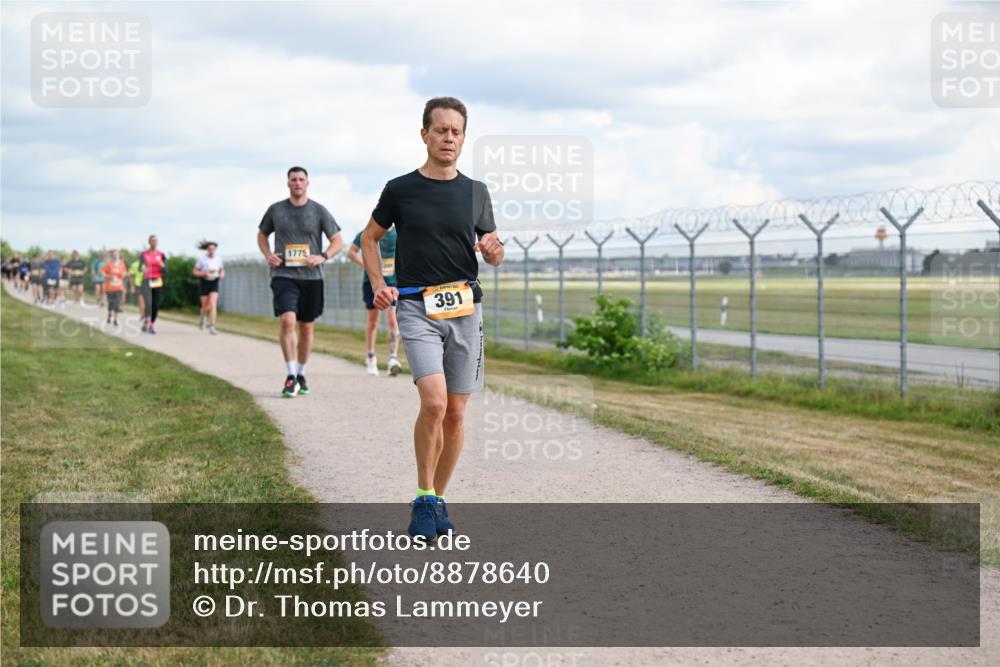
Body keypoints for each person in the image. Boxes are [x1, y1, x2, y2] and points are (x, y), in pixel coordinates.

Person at [362, 96, 504, 540]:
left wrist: (496, 252)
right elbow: (370, 238)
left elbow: (493, 249)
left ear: (464, 137)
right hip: (416, 306)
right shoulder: (400, 189)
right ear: (424, 134)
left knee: (457, 414)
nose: (448, 138)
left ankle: (436, 502)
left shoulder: (476, 192)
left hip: (465, 307)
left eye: (456, 131)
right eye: (440, 130)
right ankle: (424, 496)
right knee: (435, 403)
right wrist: (378, 283)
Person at [258, 166, 343, 397]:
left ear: (307, 183)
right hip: (283, 275)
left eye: (301, 179)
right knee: (287, 321)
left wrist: (323, 256)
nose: (297, 183)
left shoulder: (318, 210)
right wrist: (268, 255)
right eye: (293, 179)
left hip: (312, 277)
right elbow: (262, 235)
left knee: (306, 327)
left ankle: (302, 373)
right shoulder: (276, 210)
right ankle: (290, 374)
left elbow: (337, 240)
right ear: (288, 183)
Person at [348, 225, 401, 376]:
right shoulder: (369, 230)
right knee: (373, 321)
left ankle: (393, 358)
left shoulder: (399, 233)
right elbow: (351, 252)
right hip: (372, 283)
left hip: (392, 282)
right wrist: (368, 265)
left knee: (392, 319)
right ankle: (371, 356)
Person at [193, 240, 225, 334]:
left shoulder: (218, 259)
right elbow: (195, 272)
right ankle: (202, 318)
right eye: (210, 249)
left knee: (213, 304)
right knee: (205, 306)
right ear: (207, 250)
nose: (211, 250)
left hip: (214, 281)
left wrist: (222, 274)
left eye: (213, 249)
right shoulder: (202, 259)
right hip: (204, 282)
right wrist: (204, 273)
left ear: (215, 250)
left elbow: (222, 270)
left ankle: (212, 326)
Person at [141, 235, 166, 334]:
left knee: (155, 305)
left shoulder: (161, 255)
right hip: (147, 280)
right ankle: (146, 319)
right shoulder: (144, 254)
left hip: (157, 281)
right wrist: (142, 269)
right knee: (148, 303)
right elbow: (139, 267)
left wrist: (163, 266)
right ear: (149, 242)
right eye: (152, 241)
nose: (154, 243)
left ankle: (151, 325)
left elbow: (166, 270)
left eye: (156, 241)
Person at [100, 249, 128, 326]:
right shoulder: (108, 264)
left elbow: (125, 272)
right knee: (111, 303)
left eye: (117, 254)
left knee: (117, 303)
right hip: (110, 287)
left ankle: (115, 320)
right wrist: (108, 276)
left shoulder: (122, 263)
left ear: (119, 255)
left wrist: (124, 274)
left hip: (119, 287)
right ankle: (109, 314)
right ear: (112, 256)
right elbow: (102, 272)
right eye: (114, 254)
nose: (116, 255)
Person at [129, 249, 145, 315]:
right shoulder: (134, 264)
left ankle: (144, 314)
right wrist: (132, 286)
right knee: (140, 301)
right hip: (138, 284)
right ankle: (143, 315)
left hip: (147, 284)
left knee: (146, 302)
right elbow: (131, 276)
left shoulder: (148, 264)